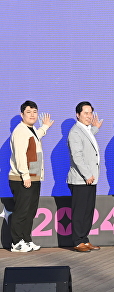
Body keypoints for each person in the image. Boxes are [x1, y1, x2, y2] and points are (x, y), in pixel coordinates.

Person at [9, 100, 54, 252]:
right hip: (23, 178)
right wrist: (25, 175)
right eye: (29, 112)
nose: (32, 115)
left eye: (35, 112)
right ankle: (16, 242)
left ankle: (26, 240)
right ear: (22, 114)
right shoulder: (20, 131)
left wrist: (45, 127)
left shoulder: (31, 129)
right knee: (21, 211)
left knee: (30, 212)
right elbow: (20, 155)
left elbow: (37, 135)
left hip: (34, 177)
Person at [67, 101, 103, 253]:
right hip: (81, 179)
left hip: (90, 179)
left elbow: (88, 136)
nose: (89, 116)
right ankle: (77, 241)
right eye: (85, 113)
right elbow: (77, 156)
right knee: (80, 211)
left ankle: (84, 239)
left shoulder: (86, 130)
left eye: (90, 113)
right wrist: (88, 174)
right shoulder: (75, 132)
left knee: (88, 211)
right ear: (78, 115)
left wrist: (95, 128)